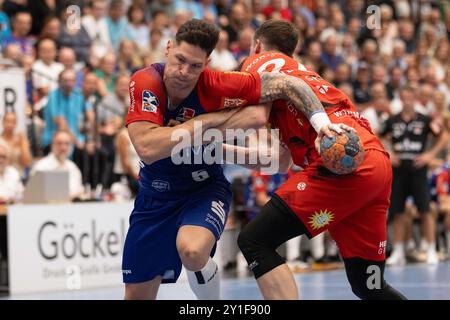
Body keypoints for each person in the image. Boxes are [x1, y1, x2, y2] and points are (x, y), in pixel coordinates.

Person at [123, 19, 342, 300]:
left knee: (191, 250)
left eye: (195, 66)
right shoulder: (145, 81)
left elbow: (278, 93)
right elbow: (147, 147)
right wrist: (199, 127)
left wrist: (321, 122)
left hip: (203, 189)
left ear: (208, 63)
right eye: (180, 60)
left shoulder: (217, 83)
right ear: (168, 48)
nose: (184, 72)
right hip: (154, 197)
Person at [223, 19, 407, 300]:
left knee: (255, 240)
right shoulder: (304, 76)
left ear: (257, 45)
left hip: (344, 168)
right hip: (373, 163)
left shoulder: (260, 61)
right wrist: (220, 150)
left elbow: (256, 115)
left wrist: (197, 132)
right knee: (367, 284)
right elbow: (280, 161)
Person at [380, 85, 449, 265]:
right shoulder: (392, 120)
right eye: (404, 97)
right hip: (399, 168)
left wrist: (430, 155)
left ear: (415, 98)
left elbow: (443, 137)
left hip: (418, 169)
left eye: (410, 97)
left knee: (425, 210)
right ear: (400, 99)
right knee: (397, 211)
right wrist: (389, 153)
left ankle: (431, 249)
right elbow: (376, 136)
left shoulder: (425, 119)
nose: (407, 100)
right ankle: (398, 251)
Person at [31, 130, 84, 200]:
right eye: (59, 143)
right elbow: (33, 195)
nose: (63, 148)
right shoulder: (41, 167)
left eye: (67, 144)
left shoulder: (73, 168)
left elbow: (79, 192)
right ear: (52, 145)